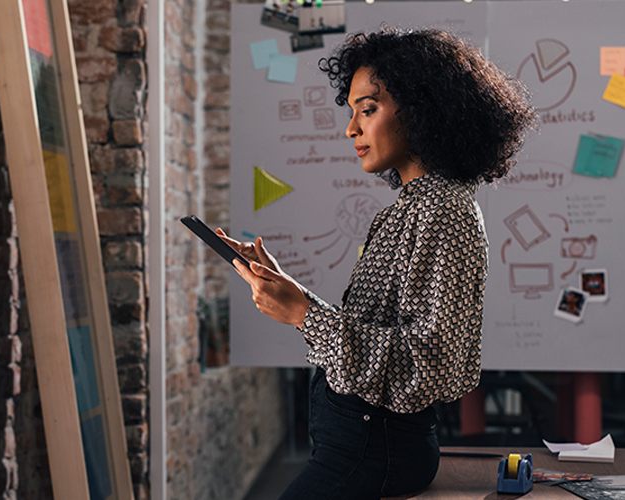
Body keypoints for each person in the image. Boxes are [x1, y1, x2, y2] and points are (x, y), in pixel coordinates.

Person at [216, 26, 537, 500]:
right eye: (352, 112)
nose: (351, 129)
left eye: (368, 109)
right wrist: (294, 294)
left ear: (423, 109)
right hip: (357, 446)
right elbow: (375, 328)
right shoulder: (409, 209)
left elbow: (425, 365)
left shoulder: (442, 213)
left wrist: (304, 315)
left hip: (375, 451)